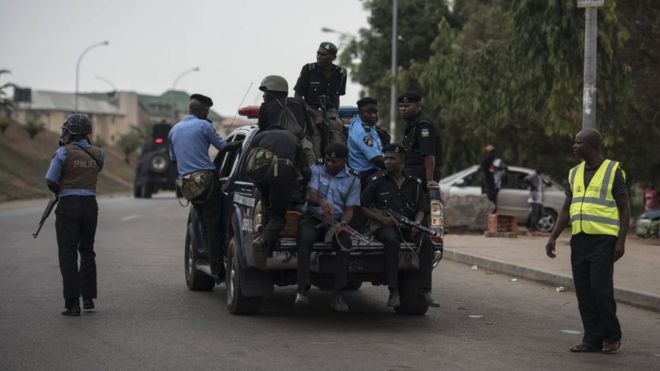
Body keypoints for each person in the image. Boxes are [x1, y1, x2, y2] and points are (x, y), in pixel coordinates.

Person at [545, 128, 630, 354]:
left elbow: (624, 208)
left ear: (592, 145)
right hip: (580, 240)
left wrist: (621, 241)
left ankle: (612, 336)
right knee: (584, 291)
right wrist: (553, 236)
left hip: (604, 240)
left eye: (578, 143)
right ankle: (592, 339)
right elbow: (566, 208)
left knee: (600, 290)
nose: (574, 147)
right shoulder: (574, 173)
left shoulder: (613, 171)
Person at [361, 143, 438, 308]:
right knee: (392, 240)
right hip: (384, 227)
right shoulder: (377, 181)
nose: (387, 162)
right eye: (386, 158)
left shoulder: (414, 183)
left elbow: (421, 208)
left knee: (427, 244)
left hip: (408, 226)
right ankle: (393, 291)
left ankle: (425, 291)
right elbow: (362, 205)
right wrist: (380, 219)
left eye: (392, 158)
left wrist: (417, 223)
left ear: (402, 161)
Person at [169, 94, 235, 284]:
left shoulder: (174, 130)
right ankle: (218, 270)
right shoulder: (204, 125)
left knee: (205, 226)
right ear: (200, 111)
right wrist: (239, 144)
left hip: (188, 185)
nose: (207, 114)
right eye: (206, 111)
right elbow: (223, 147)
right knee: (213, 225)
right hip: (207, 182)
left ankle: (211, 264)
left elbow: (174, 159)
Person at [45, 114, 104, 316]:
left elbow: (50, 180)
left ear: (69, 132)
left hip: (69, 206)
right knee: (87, 250)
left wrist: (60, 188)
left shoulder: (62, 152)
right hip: (90, 205)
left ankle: (72, 304)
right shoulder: (99, 153)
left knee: (68, 253)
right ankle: (88, 299)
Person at [295, 143, 359, 312]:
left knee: (345, 243)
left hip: (336, 221)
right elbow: (312, 195)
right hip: (313, 217)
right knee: (305, 239)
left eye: (334, 161)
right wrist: (322, 203)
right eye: (328, 160)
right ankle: (302, 290)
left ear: (344, 161)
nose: (329, 164)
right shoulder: (317, 168)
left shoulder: (353, 178)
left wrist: (343, 224)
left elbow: (350, 210)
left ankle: (338, 294)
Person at [249, 124, 310, 257]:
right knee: (279, 217)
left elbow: (250, 159)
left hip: (258, 173)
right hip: (280, 173)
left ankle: (267, 249)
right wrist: (306, 185)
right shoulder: (293, 138)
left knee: (267, 205)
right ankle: (263, 241)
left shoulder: (258, 136)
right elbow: (304, 169)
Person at [294, 42, 348, 154]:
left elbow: (337, 97)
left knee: (338, 139)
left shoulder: (341, 73)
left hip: (330, 112)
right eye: (318, 53)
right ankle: (316, 165)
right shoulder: (308, 69)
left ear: (333, 57)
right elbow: (297, 96)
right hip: (310, 110)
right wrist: (315, 114)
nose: (319, 56)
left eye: (323, 54)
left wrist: (335, 114)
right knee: (315, 138)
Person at [256, 75, 315, 167]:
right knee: (312, 174)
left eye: (266, 92)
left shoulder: (266, 107)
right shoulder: (298, 103)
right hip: (303, 146)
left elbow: (262, 132)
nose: (263, 96)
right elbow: (310, 129)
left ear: (272, 93)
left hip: (275, 151)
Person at [399, 91, 442, 187]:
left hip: (421, 172)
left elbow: (429, 153)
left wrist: (429, 179)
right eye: (401, 106)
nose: (403, 109)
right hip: (413, 170)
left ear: (418, 107)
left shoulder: (423, 125)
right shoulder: (412, 123)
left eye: (407, 106)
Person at [347, 97, 385, 190]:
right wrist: (397, 168)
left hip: (364, 172)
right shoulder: (362, 132)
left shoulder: (358, 121)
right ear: (360, 112)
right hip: (366, 175)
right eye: (369, 112)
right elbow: (376, 159)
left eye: (375, 112)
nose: (373, 116)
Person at [481, 144, 504, 213]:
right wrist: (499, 167)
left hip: (488, 184)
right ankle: (491, 219)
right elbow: (492, 170)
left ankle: (490, 219)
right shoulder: (489, 161)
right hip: (489, 184)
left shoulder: (487, 160)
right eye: (491, 152)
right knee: (492, 204)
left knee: (490, 203)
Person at [523, 167, 544, 231]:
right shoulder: (534, 175)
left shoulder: (540, 176)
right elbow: (526, 179)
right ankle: (532, 227)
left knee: (541, 213)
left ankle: (532, 225)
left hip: (539, 197)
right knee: (535, 213)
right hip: (534, 197)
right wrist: (532, 185)